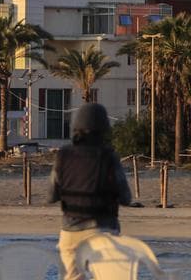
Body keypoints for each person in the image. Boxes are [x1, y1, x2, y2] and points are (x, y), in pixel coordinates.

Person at [48, 102, 136, 280]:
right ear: (104, 128)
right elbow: (126, 197)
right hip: (103, 231)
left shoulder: (63, 155)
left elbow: (51, 196)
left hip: (70, 233)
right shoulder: (109, 156)